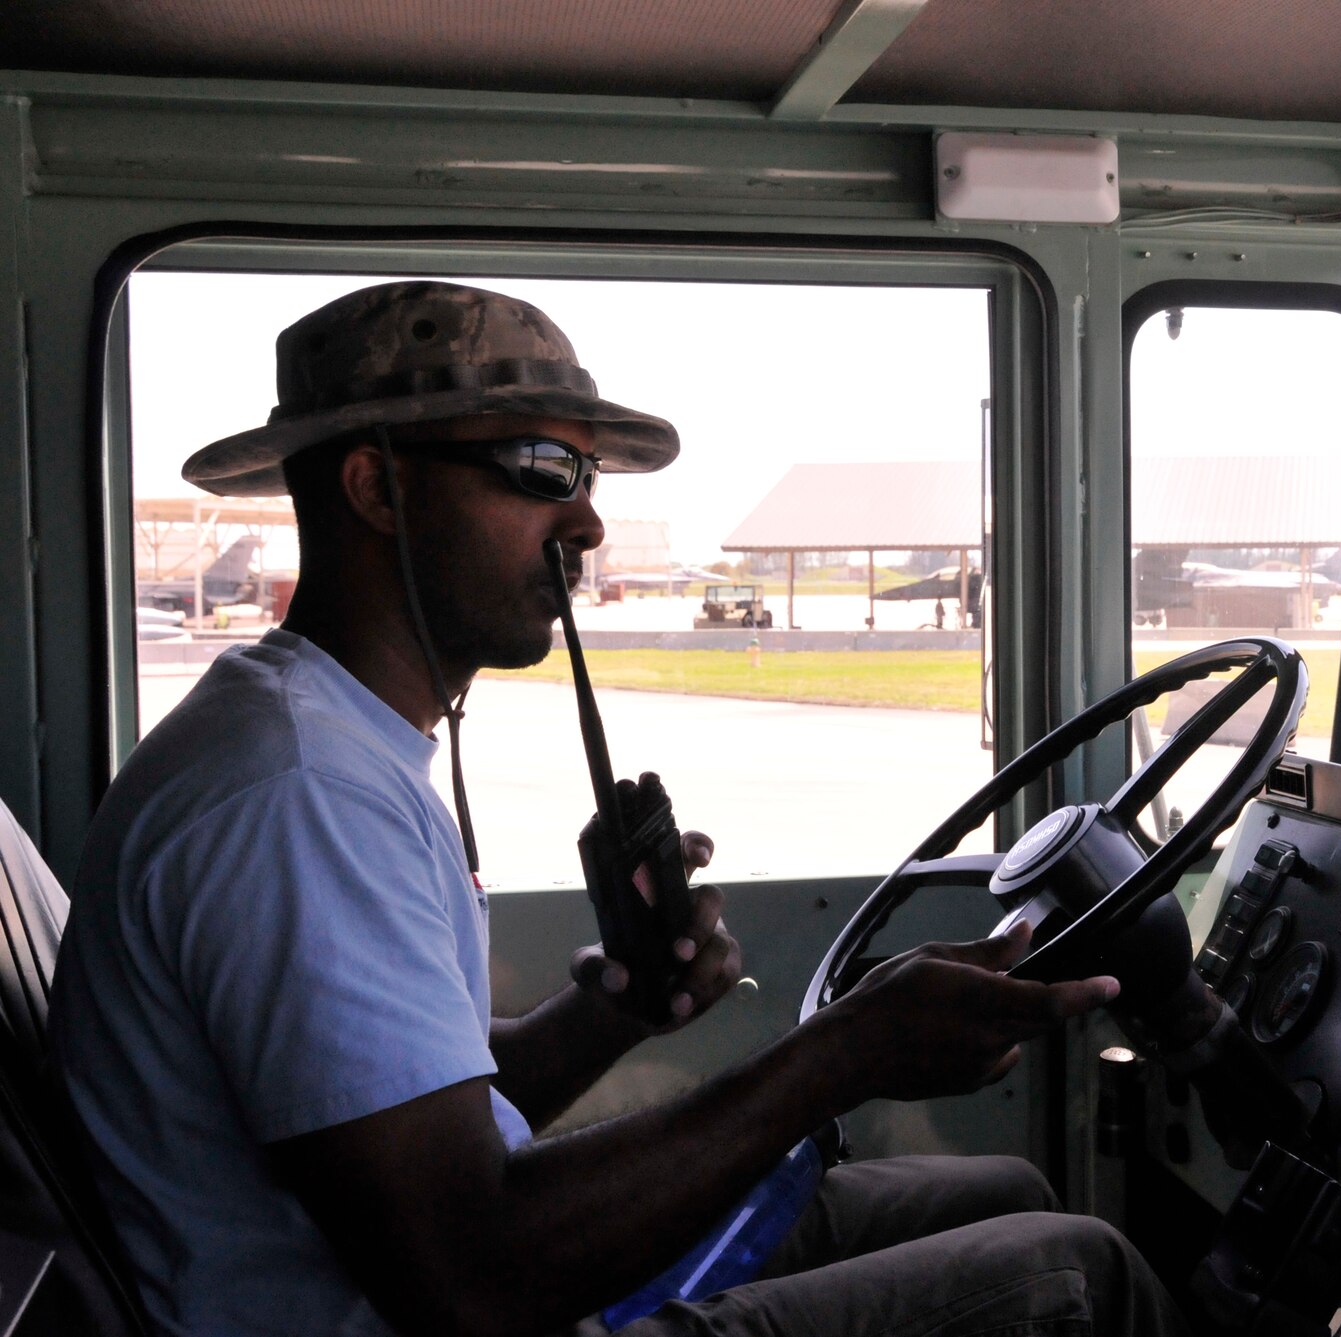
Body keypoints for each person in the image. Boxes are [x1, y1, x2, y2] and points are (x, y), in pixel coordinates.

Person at [49, 282, 1188, 1337]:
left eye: (591, 480)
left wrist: (619, 1007)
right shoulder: (300, 794)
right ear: (376, 487)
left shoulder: (328, 743)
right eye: (543, 468)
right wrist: (842, 1051)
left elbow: (417, 1100)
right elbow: (470, 1269)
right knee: (1075, 1270)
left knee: (997, 1192)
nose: (588, 524)